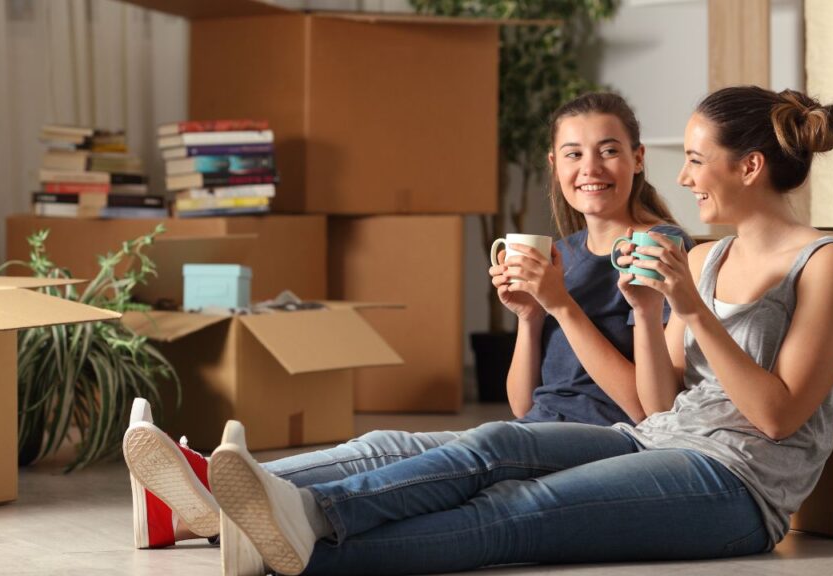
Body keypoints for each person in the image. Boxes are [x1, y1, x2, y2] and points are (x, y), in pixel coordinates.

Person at [203, 85, 833, 576]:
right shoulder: (707, 257)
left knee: (516, 513)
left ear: (748, 167)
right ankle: (293, 512)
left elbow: (778, 418)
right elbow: (659, 407)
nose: (684, 177)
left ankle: (300, 544)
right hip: (652, 440)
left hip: (738, 488)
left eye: (697, 160)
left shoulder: (826, 266)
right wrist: (643, 308)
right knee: (493, 443)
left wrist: (690, 311)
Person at [121, 93, 693, 568]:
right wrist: (529, 317)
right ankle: (192, 493)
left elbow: (649, 413)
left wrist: (562, 306)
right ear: (554, 164)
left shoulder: (660, 248)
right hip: (543, 431)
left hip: (612, 443)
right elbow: (526, 405)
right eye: (574, 153)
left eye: (609, 151)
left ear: (638, 159)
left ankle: (297, 510)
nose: (590, 169)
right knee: (387, 444)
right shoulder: (562, 253)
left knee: (486, 444)